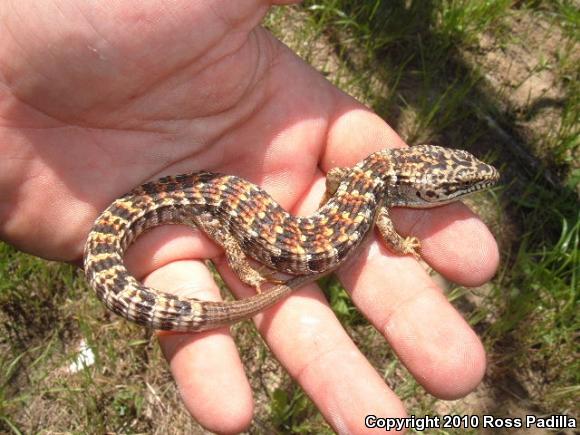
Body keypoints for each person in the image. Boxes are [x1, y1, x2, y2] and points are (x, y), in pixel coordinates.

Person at [0, 1, 498, 433]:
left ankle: (222, 264)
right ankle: (230, 258)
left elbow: (349, 184)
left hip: (218, 193)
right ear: (416, 181)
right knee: (234, 232)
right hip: (215, 205)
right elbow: (381, 225)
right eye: (458, 185)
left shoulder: (366, 176)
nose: (469, 186)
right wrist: (400, 243)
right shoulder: (377, 201)